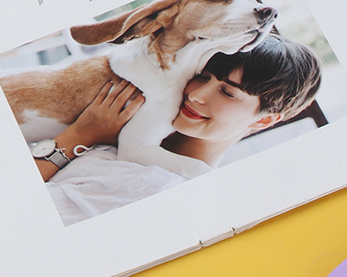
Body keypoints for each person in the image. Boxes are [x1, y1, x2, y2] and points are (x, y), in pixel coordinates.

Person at [33, 35, 322, 225]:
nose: (196, 95)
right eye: (203, 76)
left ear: (263, 121)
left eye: (227, 92)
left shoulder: (156, 185)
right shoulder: (126, 123)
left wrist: (79, 137)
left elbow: (20, 215)